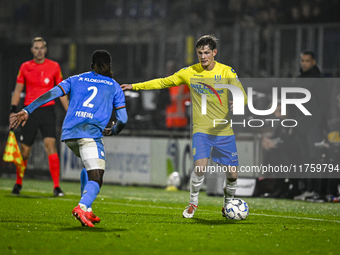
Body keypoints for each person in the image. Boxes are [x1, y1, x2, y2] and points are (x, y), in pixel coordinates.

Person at [121, 35, 248, 218]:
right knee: (200, 168)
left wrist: (239, 102)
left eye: (206, 53)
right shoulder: (189, 72)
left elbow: (242, 93)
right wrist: (135, 86)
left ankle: (228, 205)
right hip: (202, 130)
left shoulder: (226, 71)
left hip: (223, 130)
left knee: (233, 174)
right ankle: (192, 203)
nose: (203, 56)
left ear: (214, 53)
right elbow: (162, 82)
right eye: (200, 53)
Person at [10, 50, 128, 227]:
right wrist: (114, 130)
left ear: (92, 65)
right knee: (97, 176)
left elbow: (51, 94)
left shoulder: (76, 79)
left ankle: (88, 211)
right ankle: (82, 206)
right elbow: (123, 119)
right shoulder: (114, 86)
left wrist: (27, 110)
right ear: (110, 66)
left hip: (70, 134)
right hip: (90, 134)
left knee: (87, 165)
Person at [9, 37, 68, 196]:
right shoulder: (25, 67)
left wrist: (68, 110)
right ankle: (18, 183)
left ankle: (56, 187)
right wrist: (13, 111)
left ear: (46, 49)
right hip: (29, 112)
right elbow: (18, 89)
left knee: (50, 145)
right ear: (32, 50)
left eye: (42, 47)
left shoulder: (54, 66)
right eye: (36, 48)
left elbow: (61, 90)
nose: (39, 50)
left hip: (48, 111)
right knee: (25, 151)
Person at [293, 50, 329, 201]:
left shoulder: (318, 79)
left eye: (307, 61)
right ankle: (307, 189)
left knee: (315, 158)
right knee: (305, 158)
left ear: (313, 62)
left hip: (313, 125)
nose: (304, 63)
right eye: (302, 61)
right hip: (301, 125)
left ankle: (315, 190)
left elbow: (323, 104)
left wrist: (316, 123)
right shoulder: (299, 79)